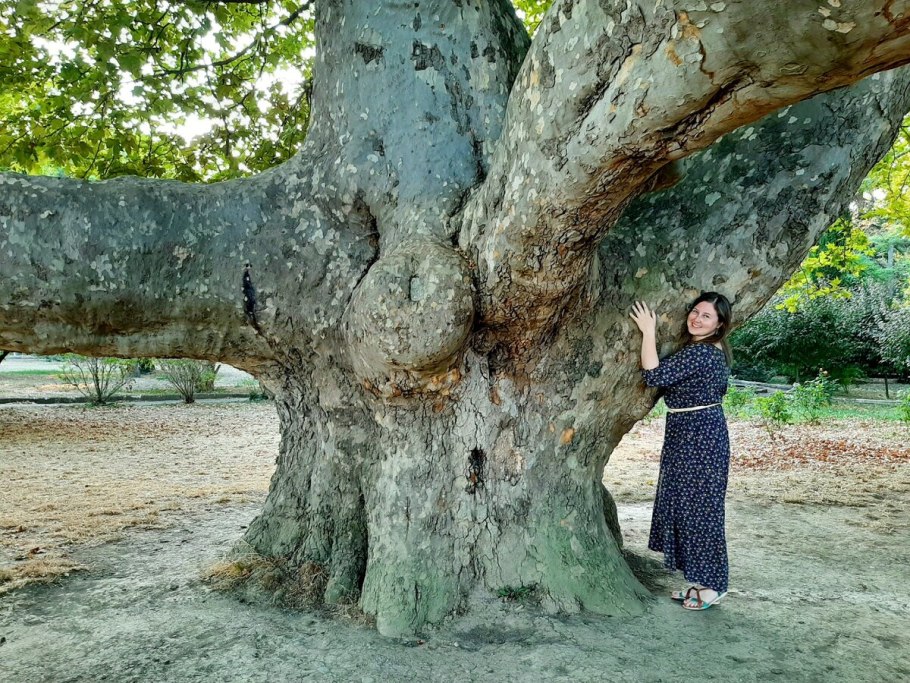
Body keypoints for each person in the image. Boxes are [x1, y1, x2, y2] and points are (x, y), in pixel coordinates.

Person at [629, 292, 733, 611]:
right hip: (691, 432)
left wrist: (648, 330)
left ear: (719, 324)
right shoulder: (708, 349)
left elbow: (654, 375)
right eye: (695, 312)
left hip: (699, 437)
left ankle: (714, 586)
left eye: (706, 316)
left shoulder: (702, 353)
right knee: (690, 508)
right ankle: (701, 581)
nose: (696, 319)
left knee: (702, 511)